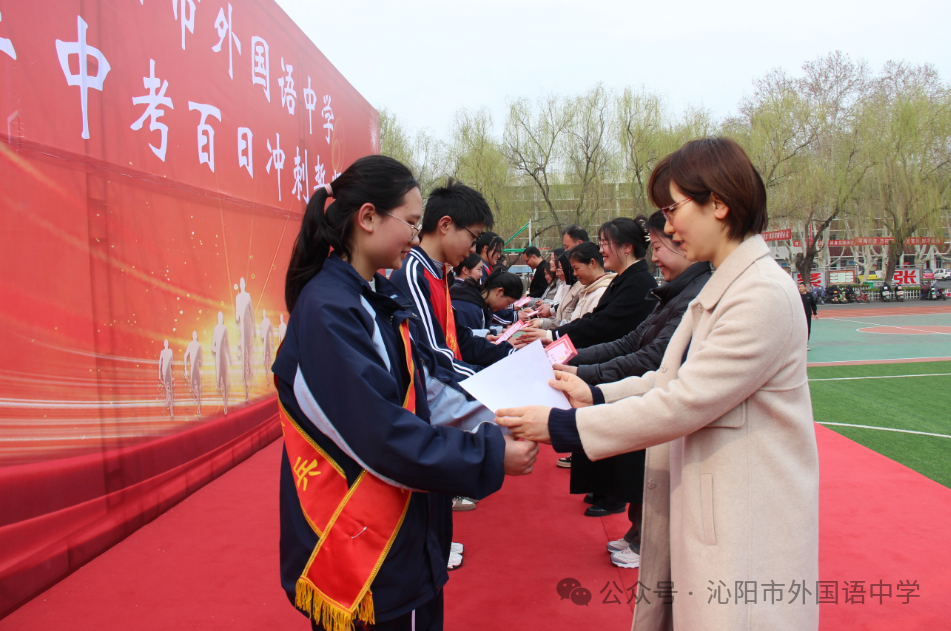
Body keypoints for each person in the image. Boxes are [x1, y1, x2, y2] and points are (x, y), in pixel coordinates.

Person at [496, 138, 819, 631]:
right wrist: (595, 392)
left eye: (673, 210)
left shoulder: (762, 295)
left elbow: (683, 401)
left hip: (745, 523)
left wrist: (567, 426)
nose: (666, 228)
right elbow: (668, 377)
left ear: (720, 203)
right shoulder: (723, 285)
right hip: (712, 505)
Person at [274, 155, 538, 631]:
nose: (417, 238)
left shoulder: (370, 295)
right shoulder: (329, 310)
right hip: (364, 541)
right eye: (411, 223)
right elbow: (382, 434)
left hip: (399, 527)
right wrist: (489, 453)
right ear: (368, 217)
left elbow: (423, 388)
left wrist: (506, 415)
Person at [554, 208, 713, 568]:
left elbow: (652, 357)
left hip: (661, 398)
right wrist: (577, 364)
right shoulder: (676, 290)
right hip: (639, 386)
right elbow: (632, 342)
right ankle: (641, 532)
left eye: (659, 245)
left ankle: (648, 538)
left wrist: (586, 373)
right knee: (644, 474)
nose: (653, 255)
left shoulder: (696, 293)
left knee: (650, 472)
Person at [390, 179, 514, 378]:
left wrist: (510, 354)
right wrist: (490, 380)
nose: (473, 249)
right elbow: (434, 359)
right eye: (472, 238)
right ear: (445, 225)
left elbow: (458, 337)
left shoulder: (439, 273)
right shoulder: (413, 274)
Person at [516, 217, 657, 349]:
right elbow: (594, 319)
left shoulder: (638, 283)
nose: (601, 250)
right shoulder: (625, 279)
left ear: (626, 247)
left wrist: (552, 335)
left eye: (605, 244)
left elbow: (603, 326)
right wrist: (553, 334)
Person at [533, 242, 613, 329]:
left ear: (592, 263)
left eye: (576, 268)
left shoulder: (602, 293)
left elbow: (586, 329)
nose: (574, 274)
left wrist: (548, 329)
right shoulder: (586, 289)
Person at [450, 267, 523, 335]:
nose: (505, 308)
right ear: (499, 291)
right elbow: (468, 343)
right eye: (508, 303)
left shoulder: (480, 304)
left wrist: (497, 331)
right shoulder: (470, 309)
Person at [799, 282, 818, 350]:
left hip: (807, 315)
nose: (800, 288)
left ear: (805, 287)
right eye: (799, 287)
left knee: (807, 329)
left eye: (801, 287)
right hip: (799, 315)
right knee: (800, 330)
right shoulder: (798, 296)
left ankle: (805, 345)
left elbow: (813, 305)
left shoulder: (809, 296)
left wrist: (815, 313)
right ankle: (799, 345)